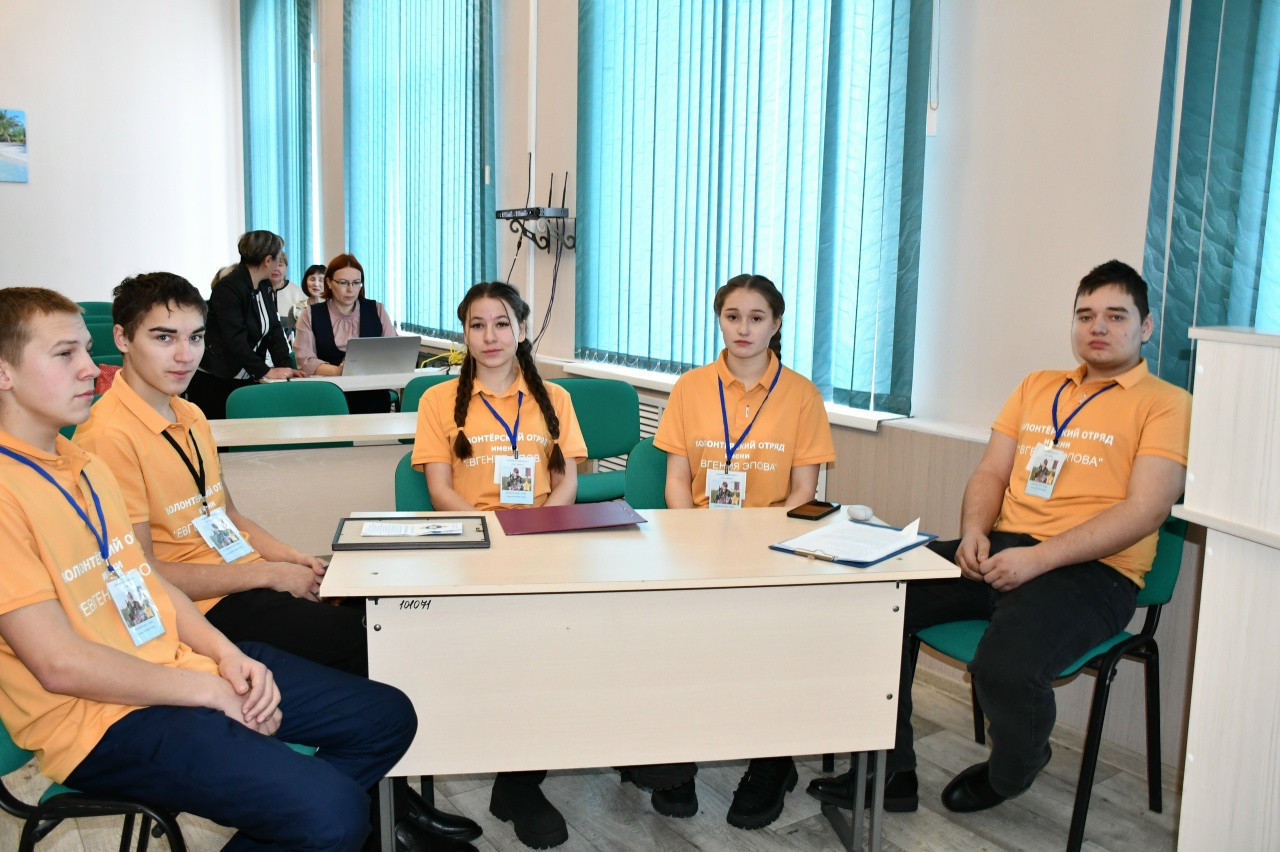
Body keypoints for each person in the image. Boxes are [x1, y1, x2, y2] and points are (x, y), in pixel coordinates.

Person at [72, 272, 482, 850]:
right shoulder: (107, 437)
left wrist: (299, 562)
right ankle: (369, 811)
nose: (185, 355)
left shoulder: (189, 416)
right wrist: (271, 575)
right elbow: (149, 575)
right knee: (366, 642)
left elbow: (228, 516)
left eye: (195, 337)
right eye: (164, 338)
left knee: (374, 618)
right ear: (122, 339)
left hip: (241, 584)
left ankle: (379, 799)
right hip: (202, 609)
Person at [0, 286, 418, 852]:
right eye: (64, 354)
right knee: (335, 815)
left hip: (173, 663)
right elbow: (59, 665)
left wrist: (226, 657)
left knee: (387, 717)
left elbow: (148, 582)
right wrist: (207, 689)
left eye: (86, 350)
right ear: (4, 372)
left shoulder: (81, 464)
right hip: (98, 721)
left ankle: (310, 814)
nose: (91, 369)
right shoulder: (14, 489)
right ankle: (321, 816)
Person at [807, 259, 1192, 816]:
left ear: (1146, 326)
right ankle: (891, 772)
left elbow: (1146, 510)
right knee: (872, 600)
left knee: (1003, 669)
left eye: (1115, 315)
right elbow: (990, 472)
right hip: (1001, 550)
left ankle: (1012, 771)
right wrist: (973, 532)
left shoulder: (1168, 403)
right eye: (1086, 315)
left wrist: (1039, 559)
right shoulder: (1038, 386)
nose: (1098, 327)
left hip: (1095, 572)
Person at [648, 273, 836, 830]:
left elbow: (804, 492)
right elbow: (676, 480)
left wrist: (762, 550)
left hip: (770, 548)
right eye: (732, 316)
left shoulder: (801, 395)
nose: (743, 329)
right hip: (696, 543)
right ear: (720, 320)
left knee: (770, 645)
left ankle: (772, 762)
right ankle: (674, 762)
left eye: (757, 318)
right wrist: (692, 538)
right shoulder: (691, 388)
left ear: (776, 324)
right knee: (674, 641)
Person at [411, 282, 587, 849]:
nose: (490, 336)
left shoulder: (554, 398)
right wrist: (499, 534)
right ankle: (515, 778)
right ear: (464, 334)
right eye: (477, 325)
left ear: (522, 330)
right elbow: (440, 491)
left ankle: (519, 781)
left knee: (560, 649)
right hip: (475, 545)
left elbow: (565, 482)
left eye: (502, 323)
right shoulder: (438, 400)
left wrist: (541, 531)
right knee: (509, 655)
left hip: (542, 543)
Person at [186, 230, 303, 419]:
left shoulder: (264, 285)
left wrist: (287, 369)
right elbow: (235, 339)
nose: (278, 263)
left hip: (247, 375)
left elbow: (274, 330)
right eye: (278, 258)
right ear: (268, 260)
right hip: (217, 379)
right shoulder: (228, 287)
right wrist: (266, 371)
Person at [293, 253, 398, 414]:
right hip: (328, 395)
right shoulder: (310, 314)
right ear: (329, 283)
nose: (350, 289)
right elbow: (305, 361)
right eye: (343, 283)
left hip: (372, 394)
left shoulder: (377, 310)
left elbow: (393, 351)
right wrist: (338, 371)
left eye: (356, 283)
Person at [269, 250, 310, 335]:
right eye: (272, 265)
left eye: (280, 265)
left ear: (286, 267)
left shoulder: (298, 293)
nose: (276, 269)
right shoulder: (257, 292)